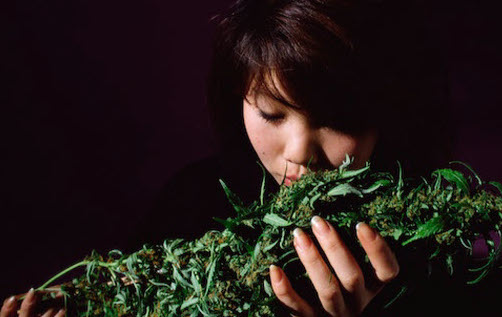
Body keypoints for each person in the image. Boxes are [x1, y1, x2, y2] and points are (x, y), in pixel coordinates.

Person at [1, 0, 454, 316]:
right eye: (271, 114)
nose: (299, 152)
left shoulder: (433, 248)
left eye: (337, 121)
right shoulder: (193, 203)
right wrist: (84, 303)